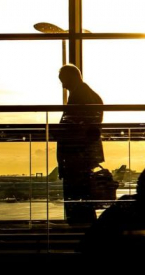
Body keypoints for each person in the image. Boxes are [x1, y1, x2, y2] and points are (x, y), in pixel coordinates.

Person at [54, 64, 105, 226]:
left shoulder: (80, 97)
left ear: (72, 77)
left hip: (75, 157)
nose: (63, 85)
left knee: (76, 200)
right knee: (83, 201)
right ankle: (85, 233)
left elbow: (75, 129)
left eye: (63, 80)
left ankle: (80, 233)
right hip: (82, 156)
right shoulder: (91, 95)